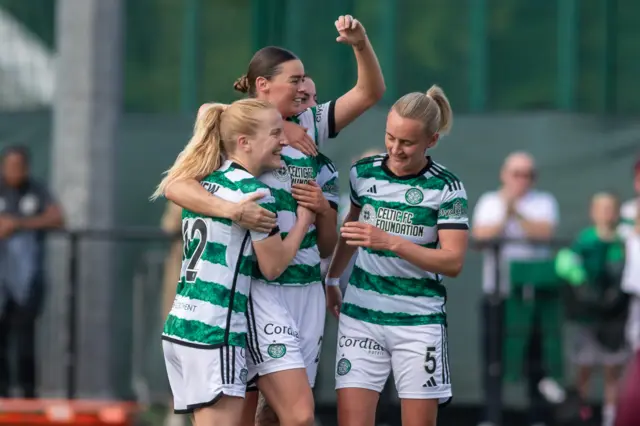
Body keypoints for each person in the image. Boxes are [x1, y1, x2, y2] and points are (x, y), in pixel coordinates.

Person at [163, 15, 385, 426]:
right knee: (271, 410)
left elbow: (370, 92)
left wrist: (359, 43)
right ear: (263, 85)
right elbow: (178, 186)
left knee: (278, 412)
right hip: (258, 287)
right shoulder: (238, 127)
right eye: (296, 80)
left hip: (305, 284)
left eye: (307, 83)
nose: (305, 89)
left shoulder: (311, 126)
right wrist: (234, 210)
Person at [153, 99, 316, 426]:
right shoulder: (253, 193)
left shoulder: (205, 182)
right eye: (274, 134)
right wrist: (303, 221)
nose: (282, 140)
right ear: (244, 142)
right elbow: (272, 267)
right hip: (215, 330)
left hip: (184, 323)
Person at [324, 85, 469, 426]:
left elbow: (453, 262)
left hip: (418, 323)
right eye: (390, 137)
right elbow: (351, 229)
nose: (395, 149)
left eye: (407, 143)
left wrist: (391, 241)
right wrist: (332, 278)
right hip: (361, 317)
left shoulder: (447, 187)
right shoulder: (364, 173)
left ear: (431, 141)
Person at [472, 152, 559, 426]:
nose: (522, 180)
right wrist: (504, 213)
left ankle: (538, 417)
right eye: (516, 174)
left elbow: (545, 233)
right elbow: (481, 236)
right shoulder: (488, 201)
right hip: (498, 294)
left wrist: (515, 211)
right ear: (504, 175)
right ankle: (492, 416)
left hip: (533, 295)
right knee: (493, 359)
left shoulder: (544, 201)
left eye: (528, 174)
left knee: (537, 358)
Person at [556, 192, 628, 426]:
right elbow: (567, 264)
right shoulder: (584, 240)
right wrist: (581, 285)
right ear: (593, 212)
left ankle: (611, 418)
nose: (606, 213)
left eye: (610, 208)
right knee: (584, 368)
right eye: (601, 208)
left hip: (615, 317)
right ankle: (581, 415)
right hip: (587, 317)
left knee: (612, 369)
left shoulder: (624, 240)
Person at [0, 145, 64, 398]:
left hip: (27, 281)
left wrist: (19, 224)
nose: (15, 171)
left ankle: (28, 394)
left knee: (25, 340)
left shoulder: (36, 190)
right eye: (10, 165)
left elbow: (57, 218)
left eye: (19, 166)